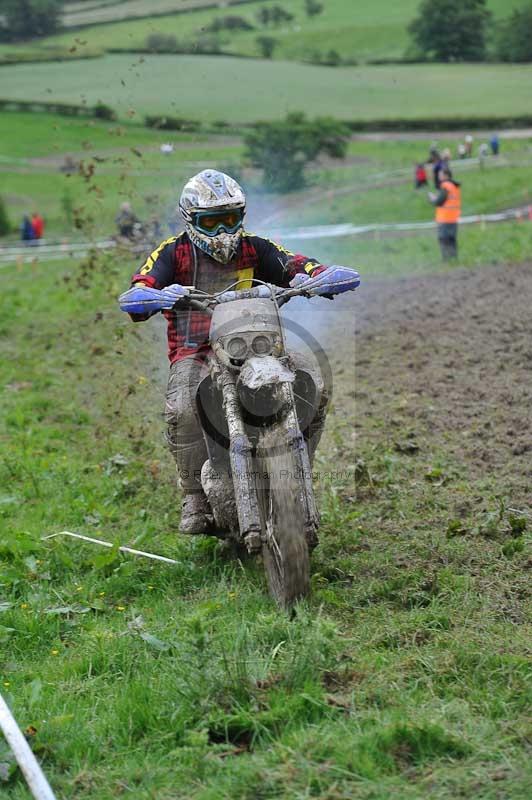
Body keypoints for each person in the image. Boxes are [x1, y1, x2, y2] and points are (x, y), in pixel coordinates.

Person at [118, 169, 360, 534]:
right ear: (191, 220)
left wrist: (321, 276)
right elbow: (141, 284)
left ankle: (300, 465)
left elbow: (297, 264)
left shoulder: (256, 247)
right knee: (183, 407)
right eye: (211, 221)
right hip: (195, 351)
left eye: (230, 219)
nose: (222, 231)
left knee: (314, 382)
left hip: (260, 344)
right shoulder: (172, 252)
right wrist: (149, 295)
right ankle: (194, 495)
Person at [428, 167, 461, 260]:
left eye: (440, 175)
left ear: (446, 175)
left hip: (444, 218)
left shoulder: (445, 185)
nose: (438, 177)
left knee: (444, 239)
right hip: (453, 218)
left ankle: (447, 259)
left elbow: (439, 201)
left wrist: (432, 199)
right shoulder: (454, 186)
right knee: (452, 239)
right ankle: (454, 258)